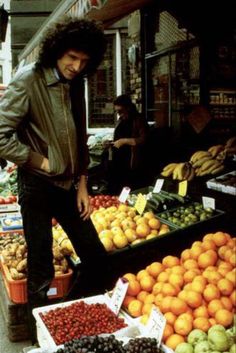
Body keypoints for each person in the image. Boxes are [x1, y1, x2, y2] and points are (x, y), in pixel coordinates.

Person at [0, 15, 110, 344]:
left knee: (96, 257)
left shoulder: (75, 83)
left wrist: (82, 185)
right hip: (36, 186)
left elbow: (78, 136)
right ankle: (40, 338)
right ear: (57, 51)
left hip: (68, 187)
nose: (76, 66)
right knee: (40, 266)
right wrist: (41, 162)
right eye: (71, 57)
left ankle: (65, 315)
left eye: (84, 61)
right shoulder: (29, 79)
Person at [106, 94, 149, 194]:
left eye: (120, 111)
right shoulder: (120, 120)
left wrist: (124, 141)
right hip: (117, 162)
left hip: (131, 163)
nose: (119, 114)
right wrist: (111, 143)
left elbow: (144, 139)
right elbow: (117, 137)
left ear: (128, 108)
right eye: (116, 112)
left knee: (129, 189)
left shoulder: (139, 120)